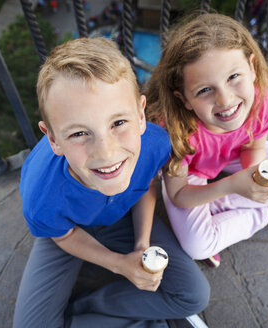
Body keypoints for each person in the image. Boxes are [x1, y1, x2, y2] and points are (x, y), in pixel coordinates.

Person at [13, 37, 210, 328]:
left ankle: (88, 308)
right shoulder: (40, 196)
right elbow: (64, 236)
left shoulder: (155, 144)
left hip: (124, 217)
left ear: (141, 115)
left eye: (118, 123)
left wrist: (141, 244)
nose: (106, 153)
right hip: (70, 227)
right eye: (79, 133)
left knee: (194, 296)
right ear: (52, 138)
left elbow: (145, 186)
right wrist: (118, 265)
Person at [145, 13, 268, 268]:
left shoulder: (262, 102)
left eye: (233, 77)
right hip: (193, 173)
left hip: (234, 154)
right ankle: (267, 212)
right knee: (198, 246)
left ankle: (223, 210)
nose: (225, 100)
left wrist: (255, 177)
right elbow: (178, 194)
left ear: (252, 68)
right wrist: (231, 186)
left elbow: (254, 146)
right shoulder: (173, 131)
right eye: (205, 90)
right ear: (184, 99)